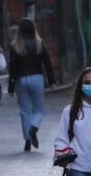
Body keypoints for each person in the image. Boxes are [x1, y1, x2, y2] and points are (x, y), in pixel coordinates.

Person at [8, 18, 56, 151]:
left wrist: (11, 87)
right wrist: (52, 80)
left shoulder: (15, 46)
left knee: (24, 111)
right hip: (37, 78)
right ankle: (34, 127)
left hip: (20, 80)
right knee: (39, 109)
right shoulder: (39, 44)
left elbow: (12, 68)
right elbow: (47, 63)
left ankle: (27, 140)